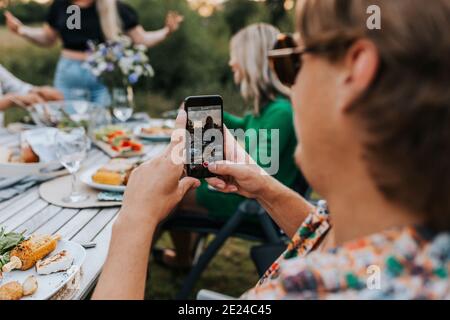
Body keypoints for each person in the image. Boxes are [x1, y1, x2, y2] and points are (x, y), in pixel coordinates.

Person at [92, 0, 450, 300]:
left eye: (293, 61)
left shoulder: (307, 290)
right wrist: (263, 186)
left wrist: (134, 220)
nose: (290, 88)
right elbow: (327, 233)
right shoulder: (421, 245)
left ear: (353, 75)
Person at [155, 23, 300, 269]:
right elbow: (246, 124)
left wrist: (217, 163)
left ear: (251, 60)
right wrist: (209, 115)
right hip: (249, 193)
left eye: (236, 56)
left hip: (253, 203)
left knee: (168, 191)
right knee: (179, 182)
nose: (232, 63)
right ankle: (181, 257)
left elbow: (260, 171)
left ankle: (159, 257)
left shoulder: (280, 113)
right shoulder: (269, 109)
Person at [4, 0, 183, 106]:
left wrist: (166, 31)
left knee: (104, 127)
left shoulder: (113, 7)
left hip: (104, 76)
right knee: (68, 126)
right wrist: (22, 30)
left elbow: (141, 39)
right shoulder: (61, 6)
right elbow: (47, 38)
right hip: (69, 74)